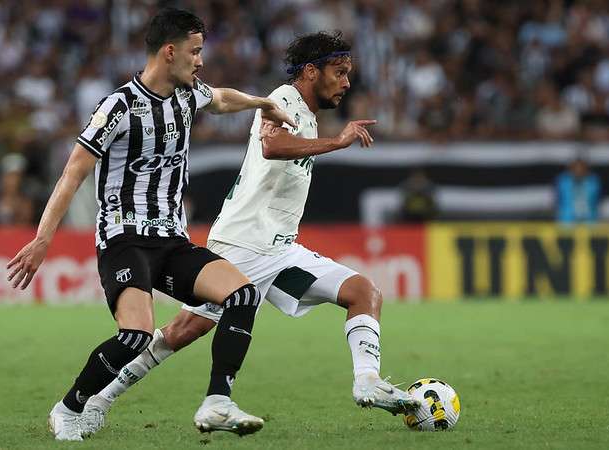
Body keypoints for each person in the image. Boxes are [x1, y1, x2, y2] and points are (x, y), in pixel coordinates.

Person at [78, 31, 420, 439]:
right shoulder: (283, 99)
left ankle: (367, 381)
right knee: (183, 332)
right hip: (243, 244)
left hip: (280, 249)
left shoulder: (308, 114)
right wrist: (337, 142)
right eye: (339, 72)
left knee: (363, 291)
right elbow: (273, 147)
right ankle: (99, 399)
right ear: (311, 72)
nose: (347, 82)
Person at [6, 8, 294, 441]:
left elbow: (219, 99)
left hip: (172, 241)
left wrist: (262, 103)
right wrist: (43, 239)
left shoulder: (187, 94)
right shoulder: (118, 107)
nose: (200, 61)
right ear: (170, 51)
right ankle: (68, 409)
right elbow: (73, 174)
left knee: (242, 295)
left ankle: (218, 401)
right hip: (125, 240)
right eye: (195, 52)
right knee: (136, 336)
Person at [555, 156, 601, 224]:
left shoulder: (593, 182)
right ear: (571, 169)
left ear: (586, 169)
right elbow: (559, 200)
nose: (578, 171)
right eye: (576, 168)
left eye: (581, 168)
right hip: (567, 222)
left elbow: (596, 200)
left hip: (589, 222)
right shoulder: (563, 182)